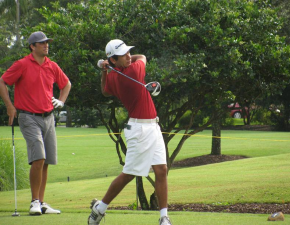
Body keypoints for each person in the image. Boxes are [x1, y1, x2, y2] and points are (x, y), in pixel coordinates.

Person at [88, 39, 172, 225]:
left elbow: (104, 91)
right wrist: (110, 65)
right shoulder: (134, 70)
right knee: (129, 174)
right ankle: (100, 208)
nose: (128, 56)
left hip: (152, 126)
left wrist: (105, 69)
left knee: (161, 169)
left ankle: (163, 217)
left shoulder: (114, 76)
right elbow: (142, 57)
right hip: (140, 129)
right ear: (114, 60)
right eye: (124, 55)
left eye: (128, 52)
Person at [0, 31, 71, 215]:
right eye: (42, 43)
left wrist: (61, 101)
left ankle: (41, 202)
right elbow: (2, 81)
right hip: (28, 117)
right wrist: (9, 106)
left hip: (48, 117)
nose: (46, 45)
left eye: (47, 42)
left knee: (46, 161)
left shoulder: (52, 65)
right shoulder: (22, 64)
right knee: (38, 157)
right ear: (32, 46)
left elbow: (66, 84)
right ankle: (34, 202)